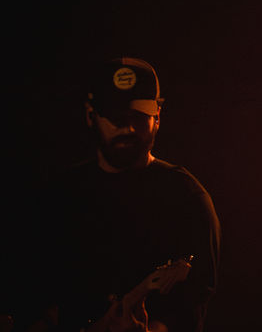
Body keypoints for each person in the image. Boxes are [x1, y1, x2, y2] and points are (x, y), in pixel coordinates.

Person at [21, 57, 220, 332]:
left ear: (158, 116)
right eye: (115, 115)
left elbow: (190, 306)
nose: (128, 127)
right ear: (91, 115)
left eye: (139, 115)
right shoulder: (56, 198)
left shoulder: (187, 199)